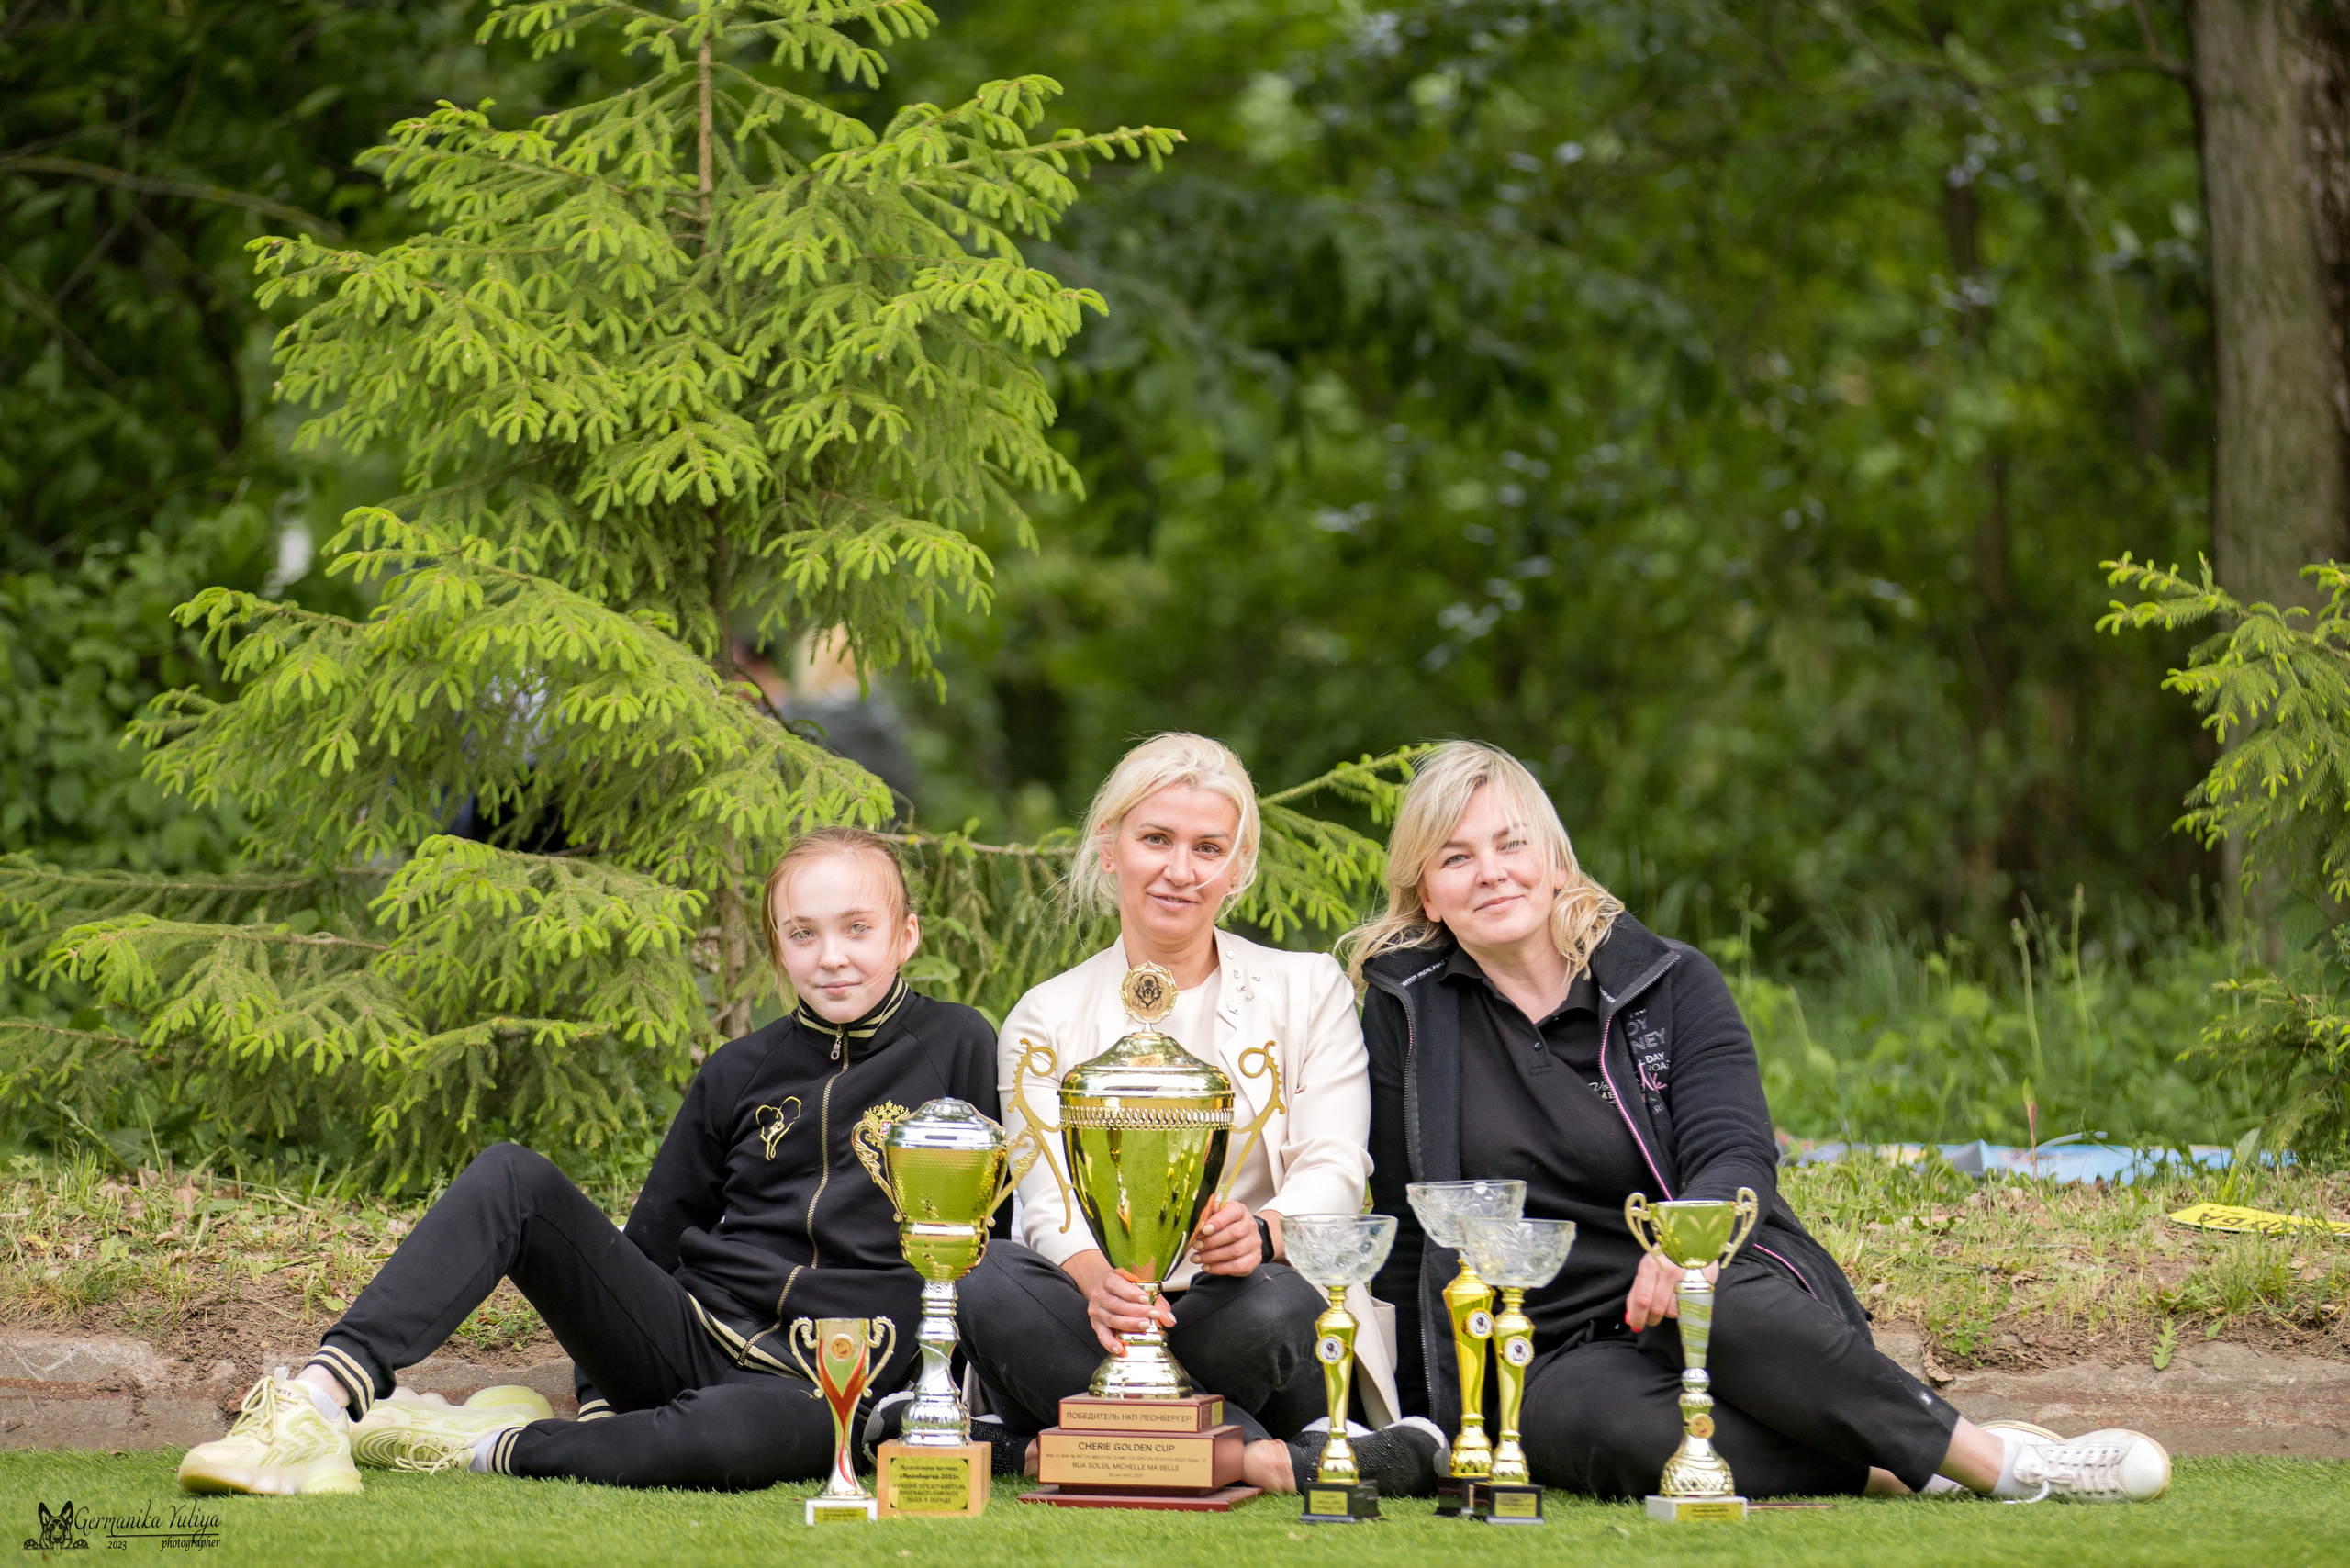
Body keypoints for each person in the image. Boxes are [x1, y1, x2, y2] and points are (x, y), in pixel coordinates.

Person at [1349, 741, 2172, 1505]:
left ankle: (2006, 1465)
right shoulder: (1408, 1011)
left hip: (1711, 1281)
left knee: (1723, 1305)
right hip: (1553, 1345)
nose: (1491, 874)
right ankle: (1894, 1455)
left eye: (1510, 845)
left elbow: (1735, 1153)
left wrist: (1682, 1249)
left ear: (1557, 862)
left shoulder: (1669, 983)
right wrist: (1424, 1413)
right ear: (1427, 892)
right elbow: (1408, 1218)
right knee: (1623, 1439)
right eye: (1457, 858)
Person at [177, 828, 1008, 1495]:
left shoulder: (960, 1045)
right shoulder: (737, 1072)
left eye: (857, 928)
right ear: (777, 948)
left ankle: (473, 1442)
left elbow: (990, 1248)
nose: (833, 956)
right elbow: (646, 1246)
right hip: (692, 1333)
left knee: (720, 1443)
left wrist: (952, 1398)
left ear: (905, 937)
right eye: (804, 933)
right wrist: (605, 1386)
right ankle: (316, 1405)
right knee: (512, 1175)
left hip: (826, 1386)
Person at [958, 732, 1443, 1497]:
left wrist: (1259, 1232)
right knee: (984, 1279)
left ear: (1238, 868)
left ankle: (1035, 1448)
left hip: (1245, 1304)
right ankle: (1261, 1458)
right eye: (1156, 839)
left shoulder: (1308, 988)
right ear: (1110, 847)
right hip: (1098, 1318)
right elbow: (1045, 1208)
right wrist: (1096, 1284)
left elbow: (1337, 1168)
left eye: (1207, 847)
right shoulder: (1043, 1016)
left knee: (1282, 1300)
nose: (1180, 871)